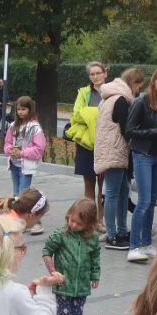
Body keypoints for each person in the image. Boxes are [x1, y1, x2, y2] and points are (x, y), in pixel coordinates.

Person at [125, 67, 157, 263]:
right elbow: (130, 131)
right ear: (154, 81)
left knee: (152, 200)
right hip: (142, 155)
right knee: (144, 201)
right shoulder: (140, 102)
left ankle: (146, 244)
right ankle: (134, 246)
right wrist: (156, 131)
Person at [41, 198, 101, 315]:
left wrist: (95, 275)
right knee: (63, 312)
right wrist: (53, 271)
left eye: (79, 224)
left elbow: (95, 256)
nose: (73, 225)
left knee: (77, 313)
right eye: (72, 220)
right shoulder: (61, 234)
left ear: (89, 224)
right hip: (63, 283)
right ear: (68, 215)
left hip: (81, 284)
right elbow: (47, 250)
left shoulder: (92, 238)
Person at [96, 68, 146, 250]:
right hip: (116, 151)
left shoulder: (109, 97)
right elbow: (127, 129)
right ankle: (113, 234)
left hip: (112, 150)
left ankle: (121, 232)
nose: (139, 90)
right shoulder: (121, 100)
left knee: (121, 192)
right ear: (133, 83)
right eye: (139, 86)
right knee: (114, 194)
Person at [66, 62, 108, 220]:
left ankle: (101, 220)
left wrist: (88, 114)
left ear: (105, 74)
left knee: (103, 186)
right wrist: (98, 114)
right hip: (86, 144)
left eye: (98, 73)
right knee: (89, 183)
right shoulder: (84, 92)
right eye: (92, 74)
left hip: (105, 144)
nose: (95, 77)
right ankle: (90, 220)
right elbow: (76, 115)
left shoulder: (111, 91)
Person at [5, 96, 47, 236]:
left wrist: (22, 153)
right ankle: (20, 221)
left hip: (26, 165)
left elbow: (39, 148)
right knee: (17, 194)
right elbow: (8, 142)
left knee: (25, 195)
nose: (20, 112)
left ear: (30, 110)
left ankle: (36, 223)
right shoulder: (13, 126)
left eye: (23, 109)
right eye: (18, 109)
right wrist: (10, 150)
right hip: (14, 163)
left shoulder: (35, 128)